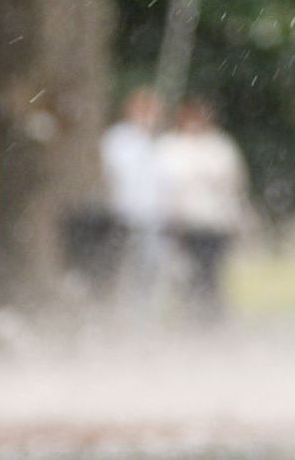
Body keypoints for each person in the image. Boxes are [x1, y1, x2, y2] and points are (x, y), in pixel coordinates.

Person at [158, 99, 252, 319]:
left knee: (212, 271)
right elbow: (164, 186)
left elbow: (234, 182)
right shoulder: (170, 147)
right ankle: (188, 313)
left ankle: (211, 315)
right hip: (183, 223)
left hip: (214, 221)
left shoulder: (220, 146)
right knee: (185, 271)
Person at [100, 87, 168, 304]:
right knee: (118, 266)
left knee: (148, 268)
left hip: (155, 216)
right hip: (123, 212)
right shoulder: (118, 138)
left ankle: (143, 311)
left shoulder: (162, 141)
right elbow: (115, 172)